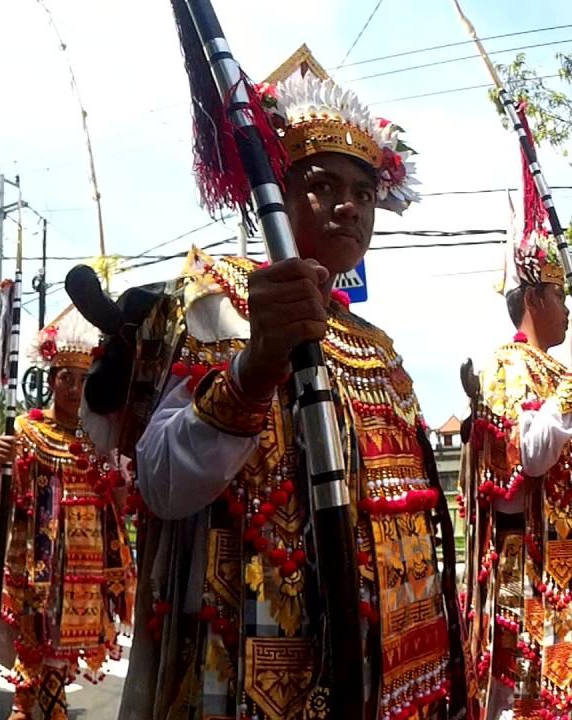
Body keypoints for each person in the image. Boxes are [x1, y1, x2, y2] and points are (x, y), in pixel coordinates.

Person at [124, 52, 464, 718]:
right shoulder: (220, 298)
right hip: (252, 666)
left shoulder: (379, 348)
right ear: (278, 194)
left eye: (364, 192)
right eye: (322, 185)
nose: (349, 206)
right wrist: (256, 366)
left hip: (380, 675)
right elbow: (162, 481)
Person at [0, 306, 134, 720]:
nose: (75, 388)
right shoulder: (27, 432)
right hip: (39, 570)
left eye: (84, 380)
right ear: (50, 381)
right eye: (67, 378)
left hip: (86, 569)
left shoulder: (97, 439)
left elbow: (116, 500)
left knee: (58, 661)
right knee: (37, 657)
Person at [462, 202, 572, 716]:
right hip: (529, 561)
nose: (568, 310)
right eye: (561, 297)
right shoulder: (508, 366)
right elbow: (528, 458)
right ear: (534, 298)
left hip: (560, 555)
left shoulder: (555, 372)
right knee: (524, 696)